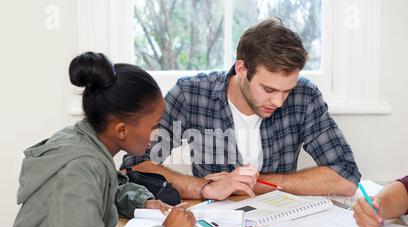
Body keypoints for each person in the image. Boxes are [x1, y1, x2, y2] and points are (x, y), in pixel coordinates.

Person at [0, 52, 196, 227]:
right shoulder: (80, 168)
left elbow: (106, 188)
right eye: (154, 125)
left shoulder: (82, 140)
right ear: (122, 130)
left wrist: (141, 202)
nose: (157, 134)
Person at [121, 18, 361, 200]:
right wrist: (206, 188)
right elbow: (134, 166)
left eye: (286, 91)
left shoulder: (305, 95)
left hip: (279, 222)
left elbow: (346, 177)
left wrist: (255, 183)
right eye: (268, 90)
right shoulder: (191, 94)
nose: (278, 102)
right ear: (242, 70)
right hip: (215, 223)